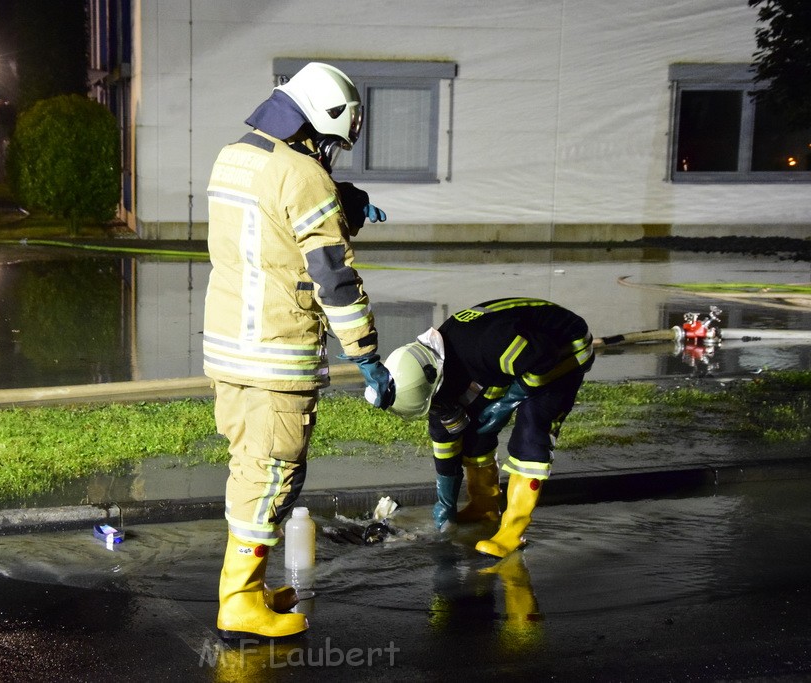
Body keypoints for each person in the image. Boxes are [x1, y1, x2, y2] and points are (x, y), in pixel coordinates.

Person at [203, 62, 394, 640]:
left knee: (249, 469)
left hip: (230, 351)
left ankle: (250, 586)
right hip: (276, 356)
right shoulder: (304, 174)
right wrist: (365, 353)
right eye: (328, 145)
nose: (328, 157)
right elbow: (331, 276)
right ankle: (237, 602)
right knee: (273, 473)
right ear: (313, 126)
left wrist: (338, 203)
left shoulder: (233, 156)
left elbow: (270, 229)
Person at [383, 297, 594, 559]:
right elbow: (445, 436)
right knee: (476, 431)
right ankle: (484, 507)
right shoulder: (435, 369)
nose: (438, 409)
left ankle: (512, 532)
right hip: (513, 362)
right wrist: (445, 502)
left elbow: (544, 360)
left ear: (437, 380)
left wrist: (509, 401)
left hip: (563, 349)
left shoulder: (485, 344)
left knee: (531, 435)